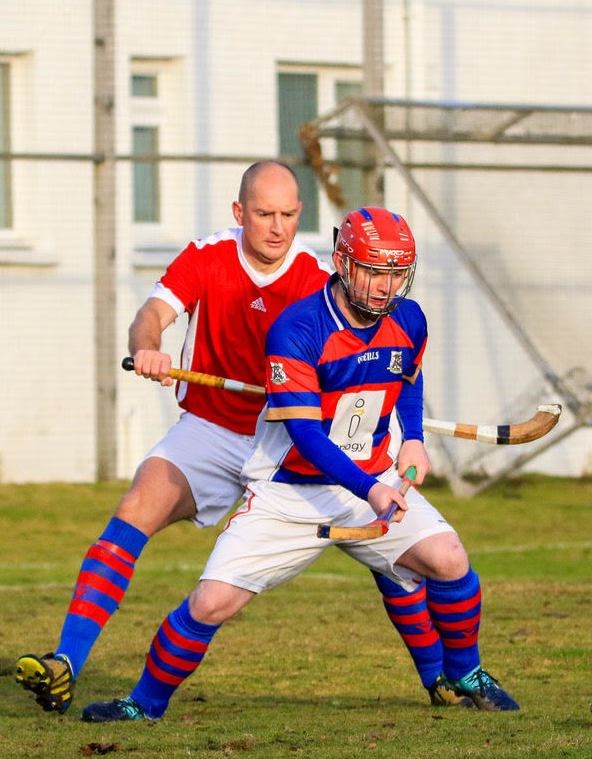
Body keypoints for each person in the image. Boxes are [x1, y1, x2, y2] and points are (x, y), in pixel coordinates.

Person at [15, 165, 464, 716]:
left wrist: (400, 429)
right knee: (137, 509)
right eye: (264, 214)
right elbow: (150, 316)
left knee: (387, 546)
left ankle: (438, 678)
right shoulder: (207, 256)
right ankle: (66, 663)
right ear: (238, 214)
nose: (278, 228)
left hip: (288, 436)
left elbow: (380, 355)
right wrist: (151, 347)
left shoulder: (322, 278)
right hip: (212, 428)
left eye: (290, 215)